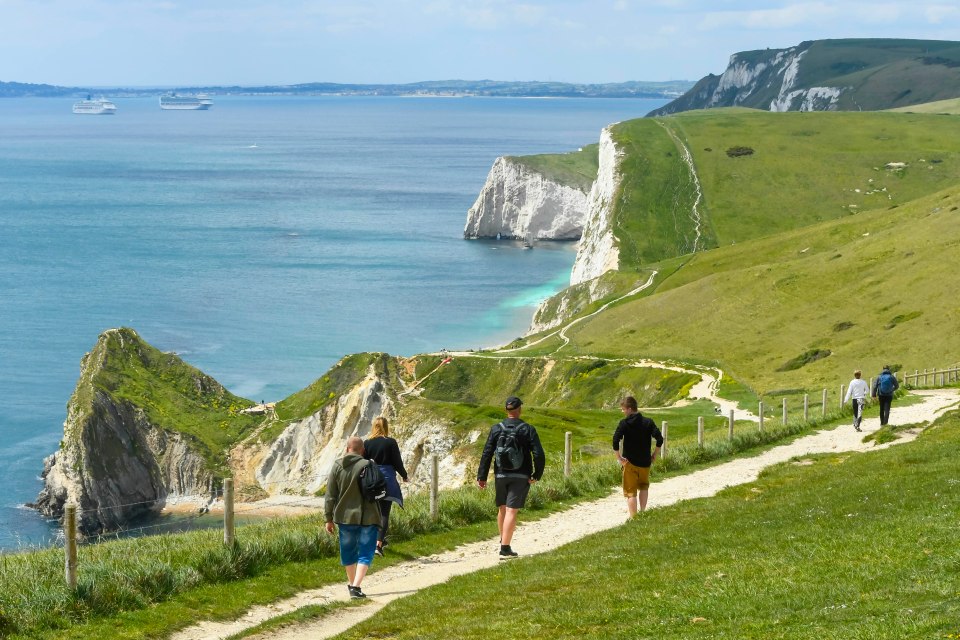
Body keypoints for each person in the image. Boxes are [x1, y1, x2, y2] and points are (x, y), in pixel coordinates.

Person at [476, 396, 545, 558]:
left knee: (502, 508)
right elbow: (538, 454)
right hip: (521, 475)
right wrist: (537, 474)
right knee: (512, 510)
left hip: (500, 474)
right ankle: (505, 547)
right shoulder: (528, 429)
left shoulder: (496, 429)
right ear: (520, 409)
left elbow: (487, 453)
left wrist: (482, 477)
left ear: (506, 411)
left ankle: (503, 539)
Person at [324, 436, 381, 599]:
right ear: (362, 450)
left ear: (347, 449)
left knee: (348, 551)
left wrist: (328, 518)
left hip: (344, 516)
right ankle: (356, 586)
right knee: (366, 551)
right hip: (368, 516)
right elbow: (378, 491)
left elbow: (330, 495)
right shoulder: (369, 464)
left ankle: (353, 585)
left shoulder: (337, 465)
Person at [363, 416, 408, 557]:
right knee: (384, 512)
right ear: (386, 427)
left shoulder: (367, 443)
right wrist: (404, 475)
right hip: (387, 479)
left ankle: (371, 541)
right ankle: (378, 545)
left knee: (371, 512)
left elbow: (364, 462)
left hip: (372, 480)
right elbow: (397, 462)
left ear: (374, 427)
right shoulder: (390, 442)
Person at [612, 396, 663, 517]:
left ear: (629, 409)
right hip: (645, 462)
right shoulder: (648, 422)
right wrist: (654, 455)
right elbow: (660, 439)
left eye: (623, 409)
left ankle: (634, 517)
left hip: (629, 463)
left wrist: (619, 458)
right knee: (644, 487)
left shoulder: (624, 423)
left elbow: (615, 440)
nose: (623, 411)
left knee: (631, 492)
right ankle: (643, 512)